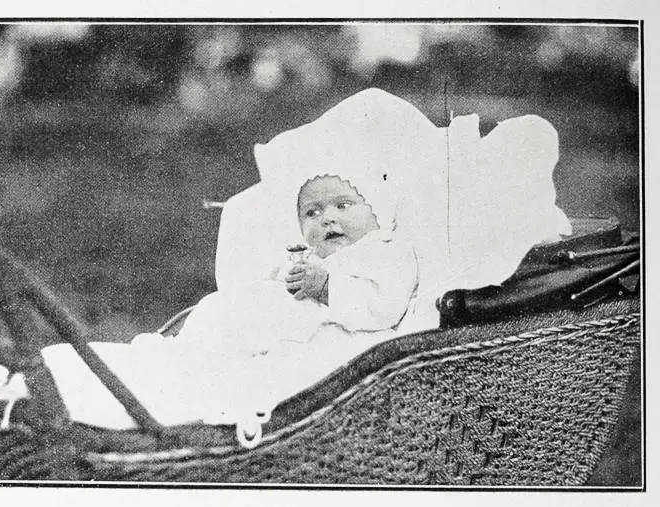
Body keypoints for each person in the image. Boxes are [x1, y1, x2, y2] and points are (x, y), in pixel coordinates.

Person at [42, 88, 572, 445]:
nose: (328, 220)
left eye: (343, 205)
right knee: (210, 319)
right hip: (271, 331)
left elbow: (384, 306)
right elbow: (279, 290)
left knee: (241, 372)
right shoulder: (313, 255)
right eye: (312, 213)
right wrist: (279, 285)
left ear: (375, 211)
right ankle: (164, 366)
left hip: (333, 351)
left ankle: (187, 384)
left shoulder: (388, 251)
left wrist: (325, 287)